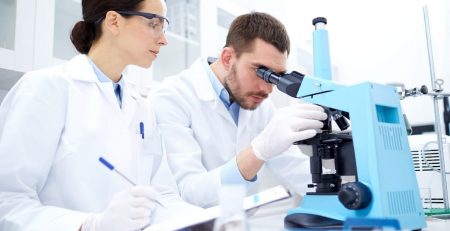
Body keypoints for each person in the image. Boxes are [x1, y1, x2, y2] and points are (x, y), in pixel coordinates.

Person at [0, 0, 201, 230]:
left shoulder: (141, 106)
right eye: (154, 24)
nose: (164, 39)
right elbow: (8, 204)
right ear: (114, 21)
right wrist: (89, 225)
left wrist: (210, 220)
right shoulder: (46, 88)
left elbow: (161, 195)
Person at [148, 12, 328, 208]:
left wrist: (350, 195)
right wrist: (257, 152)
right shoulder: (171, 97)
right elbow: (189, 192)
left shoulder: (260, 103)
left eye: (276, 77)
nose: (268, 89)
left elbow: (295, 168)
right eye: (262, 72)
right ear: (227, 58)